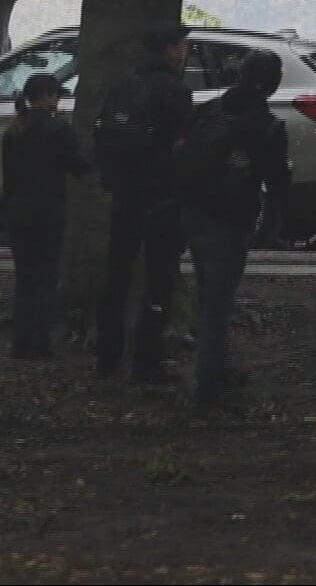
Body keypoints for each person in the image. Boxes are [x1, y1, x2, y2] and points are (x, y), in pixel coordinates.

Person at [175, 48, 290, 409]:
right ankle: (208, 389)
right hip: (231, 220)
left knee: (207, 294)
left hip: (192, 213)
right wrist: (270, 227)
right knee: (218, 305)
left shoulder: (207, 112)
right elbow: (277, 184)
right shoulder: (267, 127)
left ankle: (212, 370)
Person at [94, 22, 195, 382]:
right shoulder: (174, 92)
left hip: (125, 194)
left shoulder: (123, 87)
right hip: (161, 197)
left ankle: (107, 354)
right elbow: (184, 145)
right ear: (169, 50)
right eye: (182, 45)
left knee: (117, 275)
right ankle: (147, 358)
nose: (185, 51)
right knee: (159, 278)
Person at [1, 74, 89, 359]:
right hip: (49, 211)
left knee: (25, 279)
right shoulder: (58, 129)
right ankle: (41, 343)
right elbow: (77, 166)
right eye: (56, 96)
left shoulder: (12, 132)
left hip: (19, 212)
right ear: (48, 96)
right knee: (47, 277)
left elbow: (8, 179)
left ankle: (20, 342)